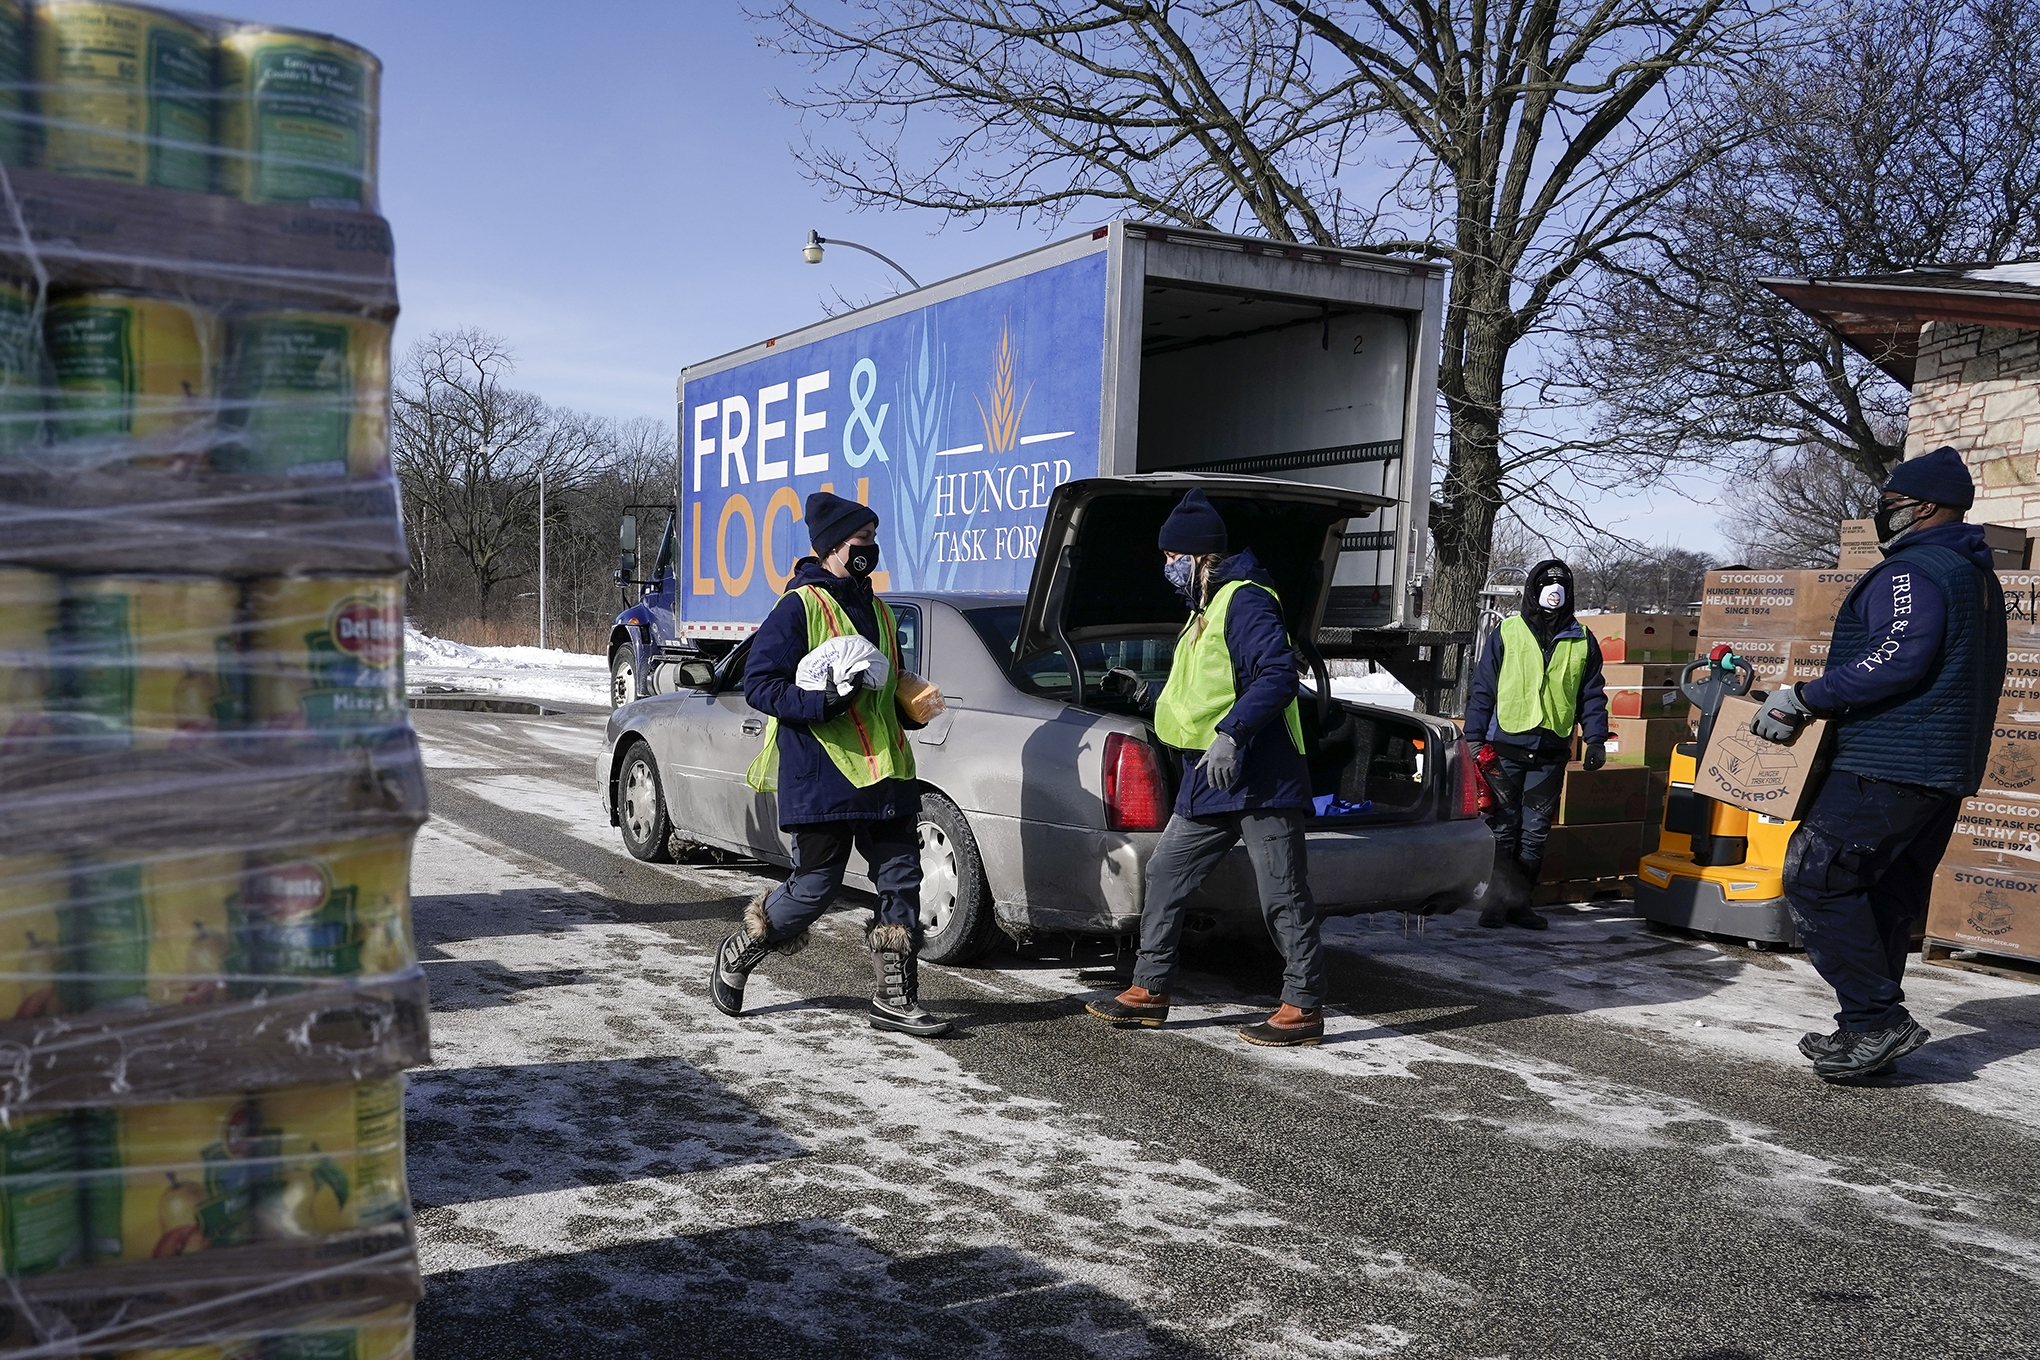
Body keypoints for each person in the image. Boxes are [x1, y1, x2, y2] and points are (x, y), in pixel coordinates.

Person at [1749, 446, 2005, 1083]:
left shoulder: (1915, 570)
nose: (1881, 516)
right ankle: (1865, 1035)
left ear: (1923, 508)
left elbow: (1898, 656)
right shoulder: (1974, 575)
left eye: (1890, 505)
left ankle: (1873, 1019)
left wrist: (1806, 697)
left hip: (1889, 761)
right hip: (1941, 766)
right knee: (1885, 895)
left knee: (1818, 877)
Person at [1084, 489, 1329, 1047]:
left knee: (1283, 895)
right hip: (1210, 776)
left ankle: (1303, 1006)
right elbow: (1203, 695)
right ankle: (1149, 991)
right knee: (1166, 871)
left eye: (1172, 557)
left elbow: (1276, 677)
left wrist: (1231, 735)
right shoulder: (1205, 608)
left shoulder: (1246, 600)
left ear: (1198, 557)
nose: (1165, 567)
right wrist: (1148, 696)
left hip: (1259, 772)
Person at [707, 491, 949, 1038]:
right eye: (862, 542)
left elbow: (885, 684)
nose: (871, 551)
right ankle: (741, 948)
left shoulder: (880, 609)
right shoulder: (799, 607)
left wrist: (911, 705)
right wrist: (823, 702)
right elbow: (760, 684)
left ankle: (894, 996)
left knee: (901, 878)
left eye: (873, 541)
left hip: (886, 770)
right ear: (834, 546)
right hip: (823, 771)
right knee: (816, 885)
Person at [1462, 559, 1612, 929]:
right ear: (1533, 588)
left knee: (1535, 831)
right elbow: (1484, 688)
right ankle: (1495, 903)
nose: (1554, 591)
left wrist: (1595, 739)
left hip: (1550, 750)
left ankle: (1520, 903)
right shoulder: (1507, 632)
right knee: (1503, 828)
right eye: (1547, 583)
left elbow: (1592, 694)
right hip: (1506, 746)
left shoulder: (1582, 639)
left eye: (1562, 584)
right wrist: (1473, 737)